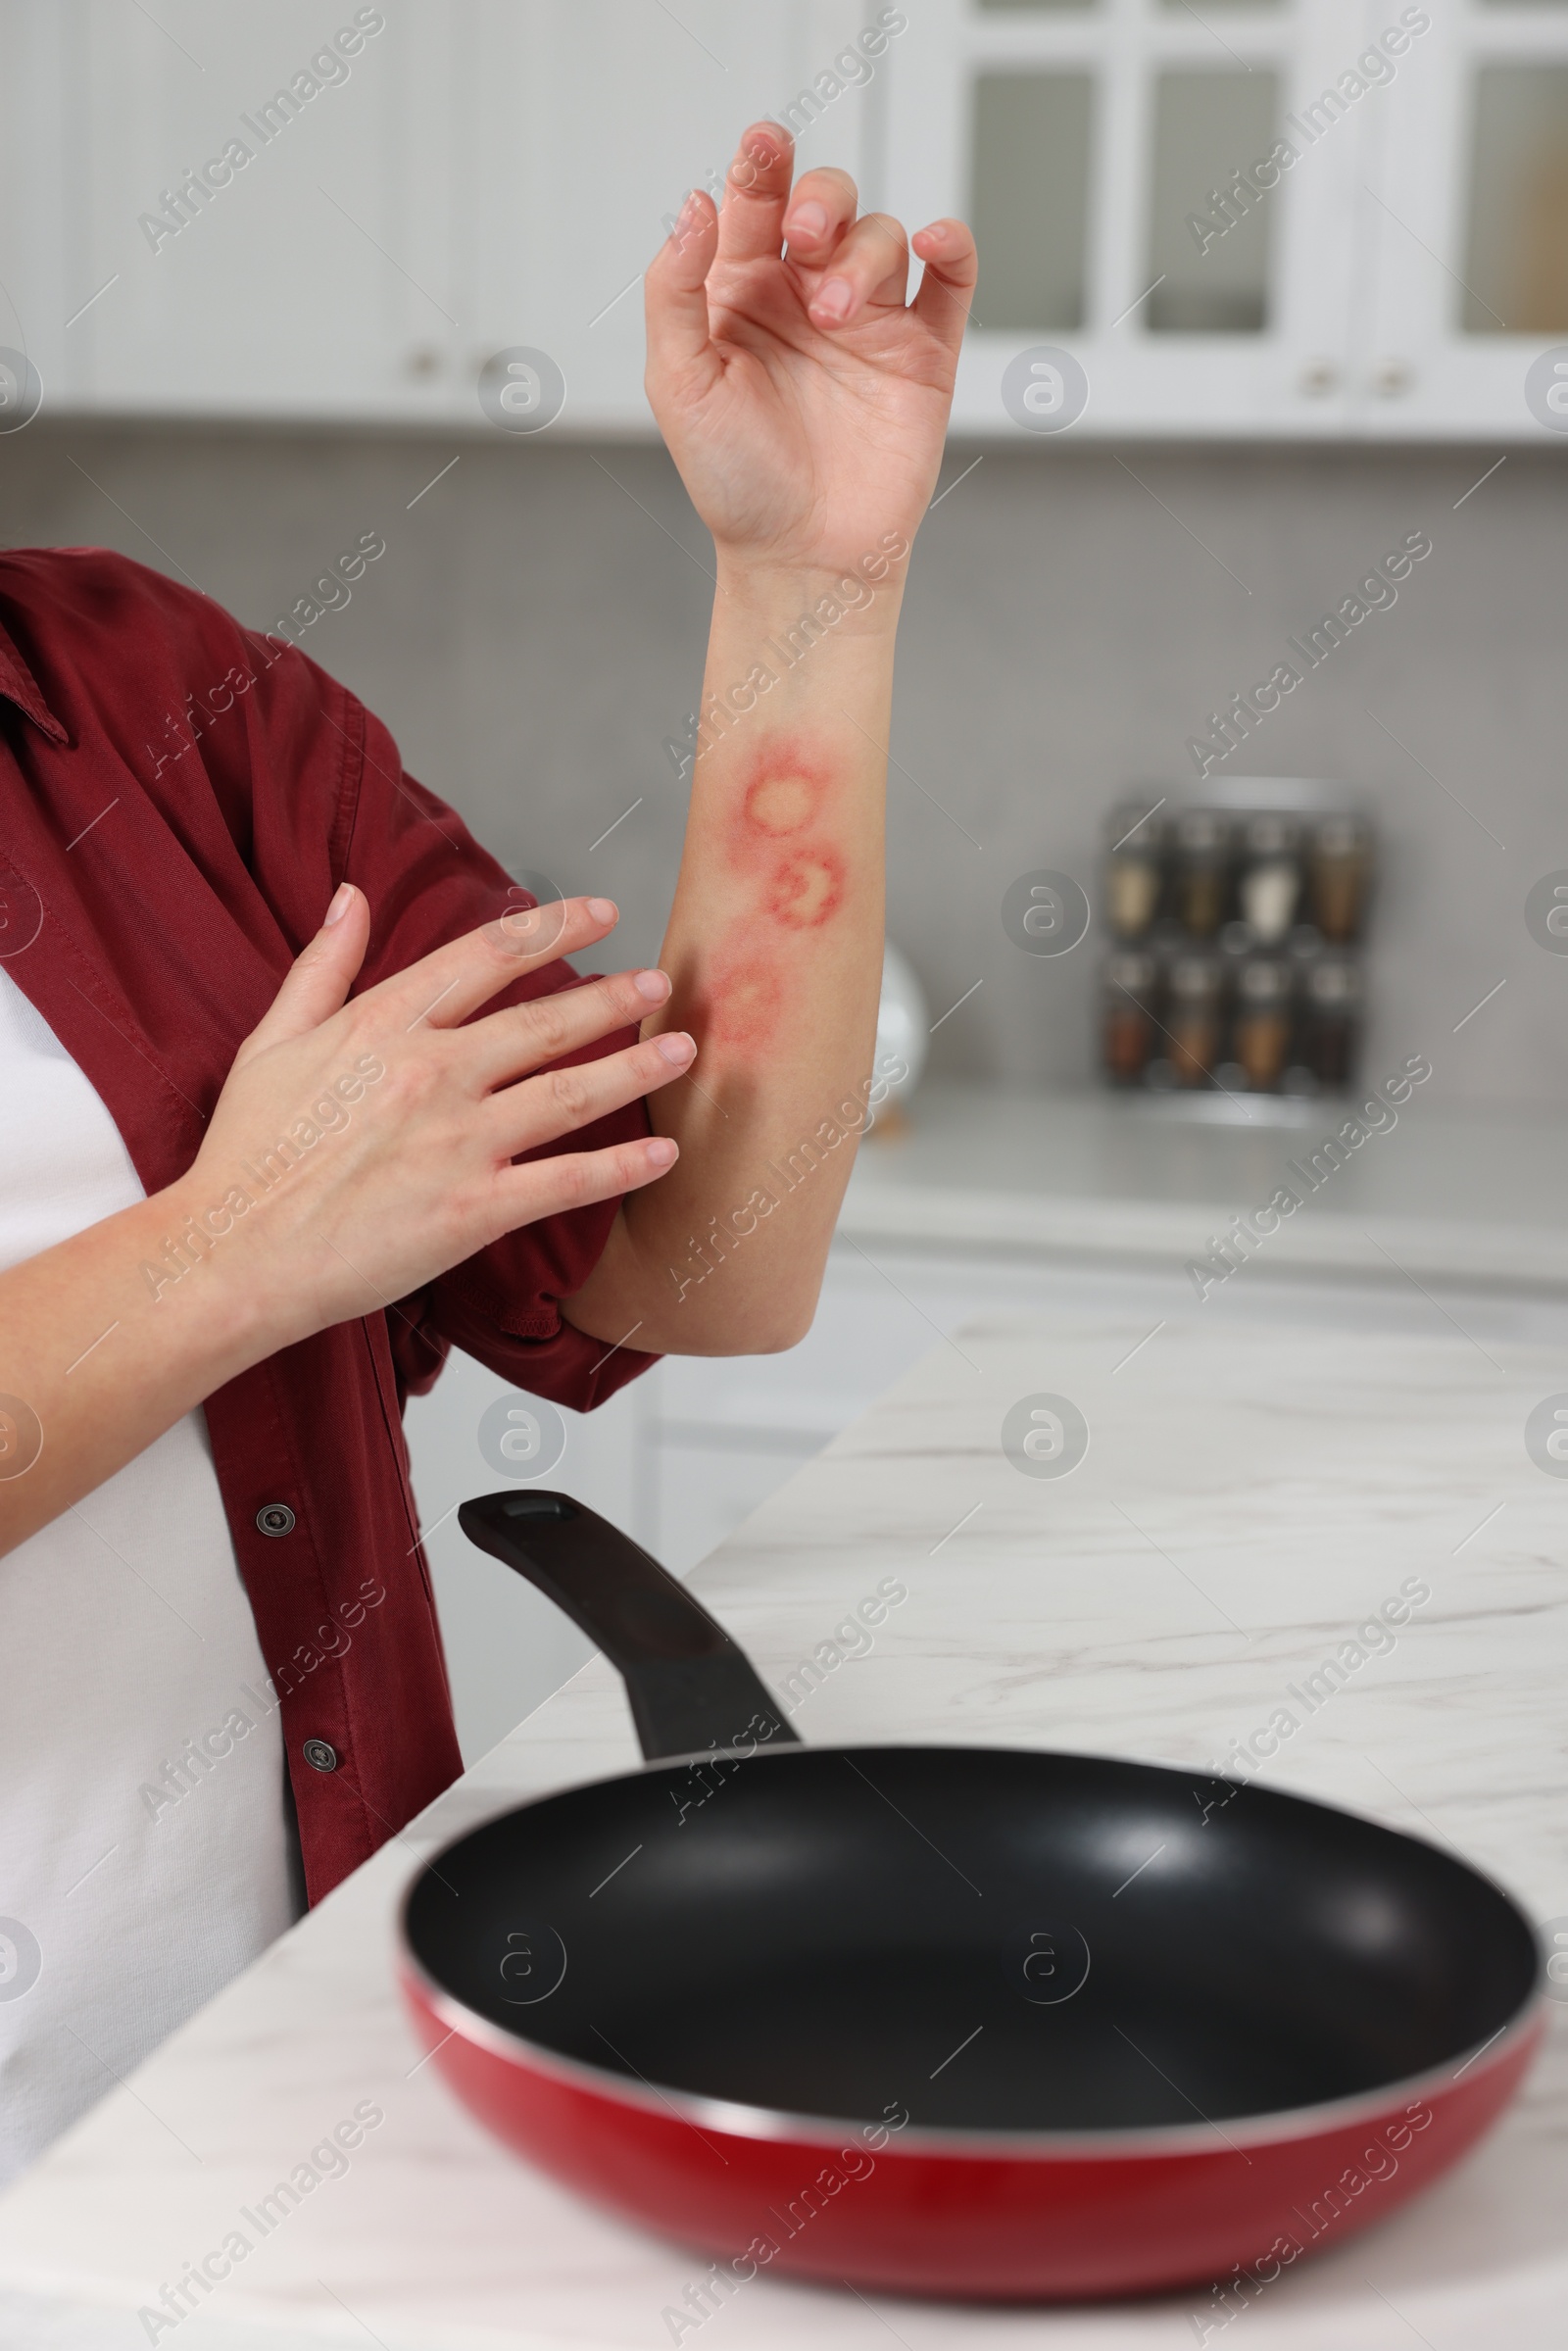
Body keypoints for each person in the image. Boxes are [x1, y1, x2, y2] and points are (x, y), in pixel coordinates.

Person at [0, 122, 975, 2180]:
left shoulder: (138, 700)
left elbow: (696, 1262)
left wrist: (808, 585)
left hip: (283, 2093)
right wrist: (239, 1249)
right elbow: (259, 1245)